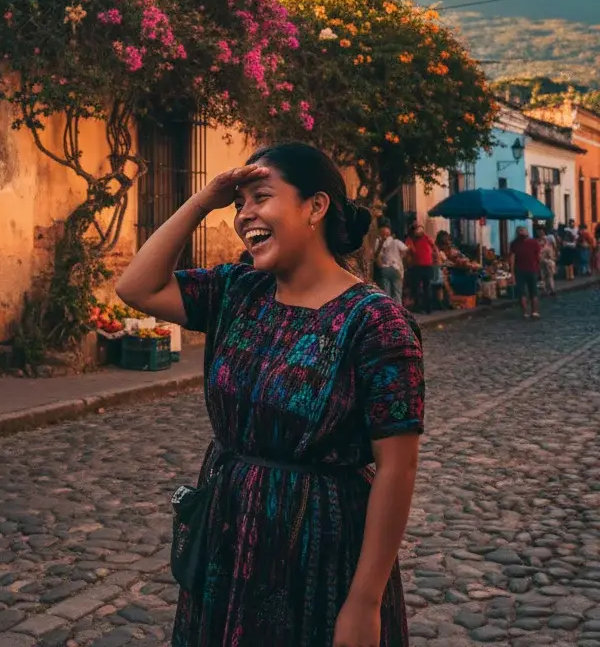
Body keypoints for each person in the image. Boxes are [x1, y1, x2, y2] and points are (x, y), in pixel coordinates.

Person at [116, 142, 424, 647]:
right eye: (239, 203)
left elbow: (397, 468)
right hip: (228, 534)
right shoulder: (237, 291)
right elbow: (137, 288)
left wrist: (364, 601)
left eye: (260, 197)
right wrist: (202, 201)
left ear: (315, 207)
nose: (244, 215)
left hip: (320, 550)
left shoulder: (375, 322)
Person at [510, 225, 542, 320]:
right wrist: (540, 269)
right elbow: (539, 257)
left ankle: (526, 313)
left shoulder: (514, 243)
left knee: (523, 292)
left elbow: (512, 258)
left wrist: (512, 271)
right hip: (530, 269)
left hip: (522, 270)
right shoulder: (533, 242)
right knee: (533, 292)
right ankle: (534, 312)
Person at [405, 223, 436, 314]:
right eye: (418, 229)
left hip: (423, 266)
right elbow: (409, 249)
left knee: (424, 287)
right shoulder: (411, 239)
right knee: (419, 288)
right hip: (417, 266)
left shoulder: (425, 237)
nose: (420, 231)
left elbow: (433, 246)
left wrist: (435, 256)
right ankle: (422, 307)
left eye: (421, 229)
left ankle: (426, 308)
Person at [373, 221, 407, 303]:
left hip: (384, 268)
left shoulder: (378, 241)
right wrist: (401, 258)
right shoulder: (396, 241)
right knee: (397, 293)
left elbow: (376, 255)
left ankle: (389, 311)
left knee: (386, 294)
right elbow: (406, 250)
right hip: (396, 268)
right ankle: (398, 312)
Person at [538, 226, 557, 297]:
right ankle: (547, 290)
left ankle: (551, 290)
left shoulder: (547, 242)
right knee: (544, 276)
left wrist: (551, 258)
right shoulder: (538, 242)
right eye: (539, 232)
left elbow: (551, 253)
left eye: (541, 232)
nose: (540, 233)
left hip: (548, 261)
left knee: (549, 276)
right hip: (542, 261)